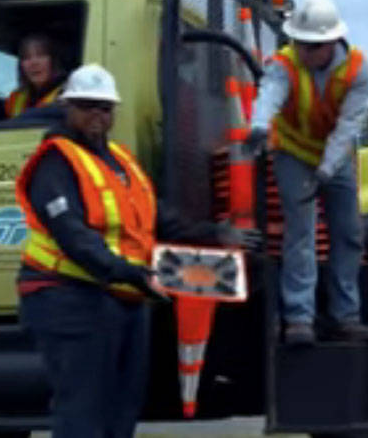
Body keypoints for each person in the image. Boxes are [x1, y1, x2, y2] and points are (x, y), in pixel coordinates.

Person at [15, 63, 259, 438]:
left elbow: (159, 217)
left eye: (105, 107)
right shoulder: (55, 161)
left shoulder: (121, 159)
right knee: (83, 408)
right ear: (68, 107)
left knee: (122, 408)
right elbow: (74, 237)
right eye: (87, 106)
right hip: (68, 296)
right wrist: (132, 273)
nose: (97, 114)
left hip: (124, 296)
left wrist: (216, 234)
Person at [247, 0, 368, 346]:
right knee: (301, 234)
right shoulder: (284, 64)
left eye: (312, 46)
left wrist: (328, 168)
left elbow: (349, 125)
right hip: (293, 154)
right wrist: (259, 125)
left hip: (335, 158)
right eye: (300, 43)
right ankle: (299, 319)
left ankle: (344, 316)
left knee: (349, 234)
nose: (303, 51)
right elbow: (270, 93)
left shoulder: (358, 70)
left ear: (331, 42)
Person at [4, 33, 65, 118]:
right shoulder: (14, 100)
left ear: (53, 61)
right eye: (26, 58)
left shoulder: (69, 95)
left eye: (41, 55)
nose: (34, 63)